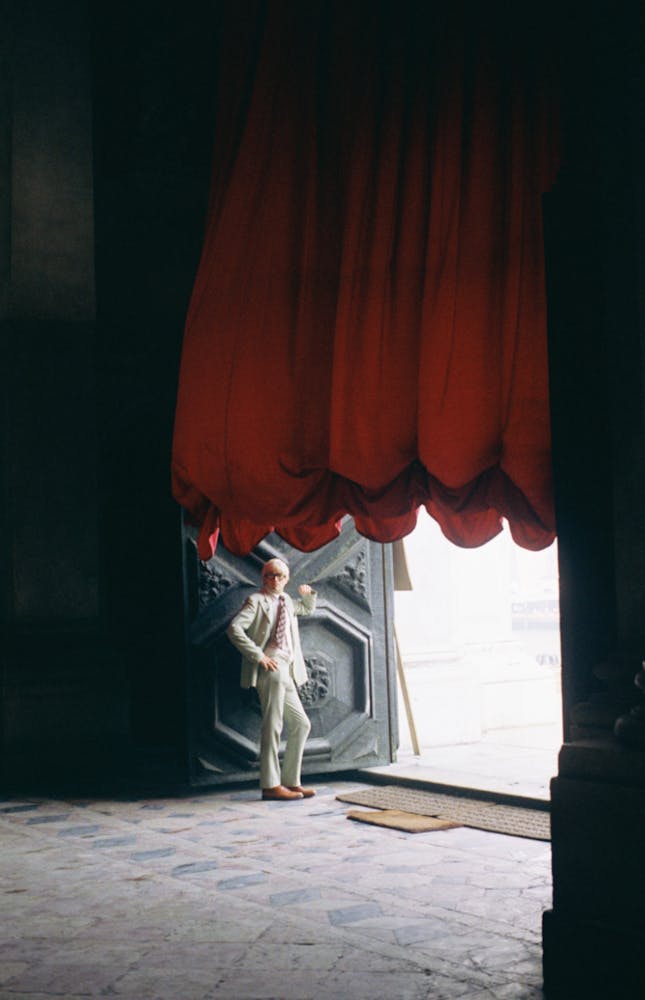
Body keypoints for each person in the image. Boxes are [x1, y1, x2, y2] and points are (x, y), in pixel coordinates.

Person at [226, 557, 317, 801]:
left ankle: (291, 781)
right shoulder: (256, 601)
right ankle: (270, 785)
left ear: (287, 579)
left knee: (301, 724)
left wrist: (308, 596)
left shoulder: (286, 600)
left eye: (280, 576)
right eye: (270, 575)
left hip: (288, 668)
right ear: (263, 577)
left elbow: (305, 609)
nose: (275, 580)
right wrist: (258, 656)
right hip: (271, 666)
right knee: (273, 725)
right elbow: (234, 629)